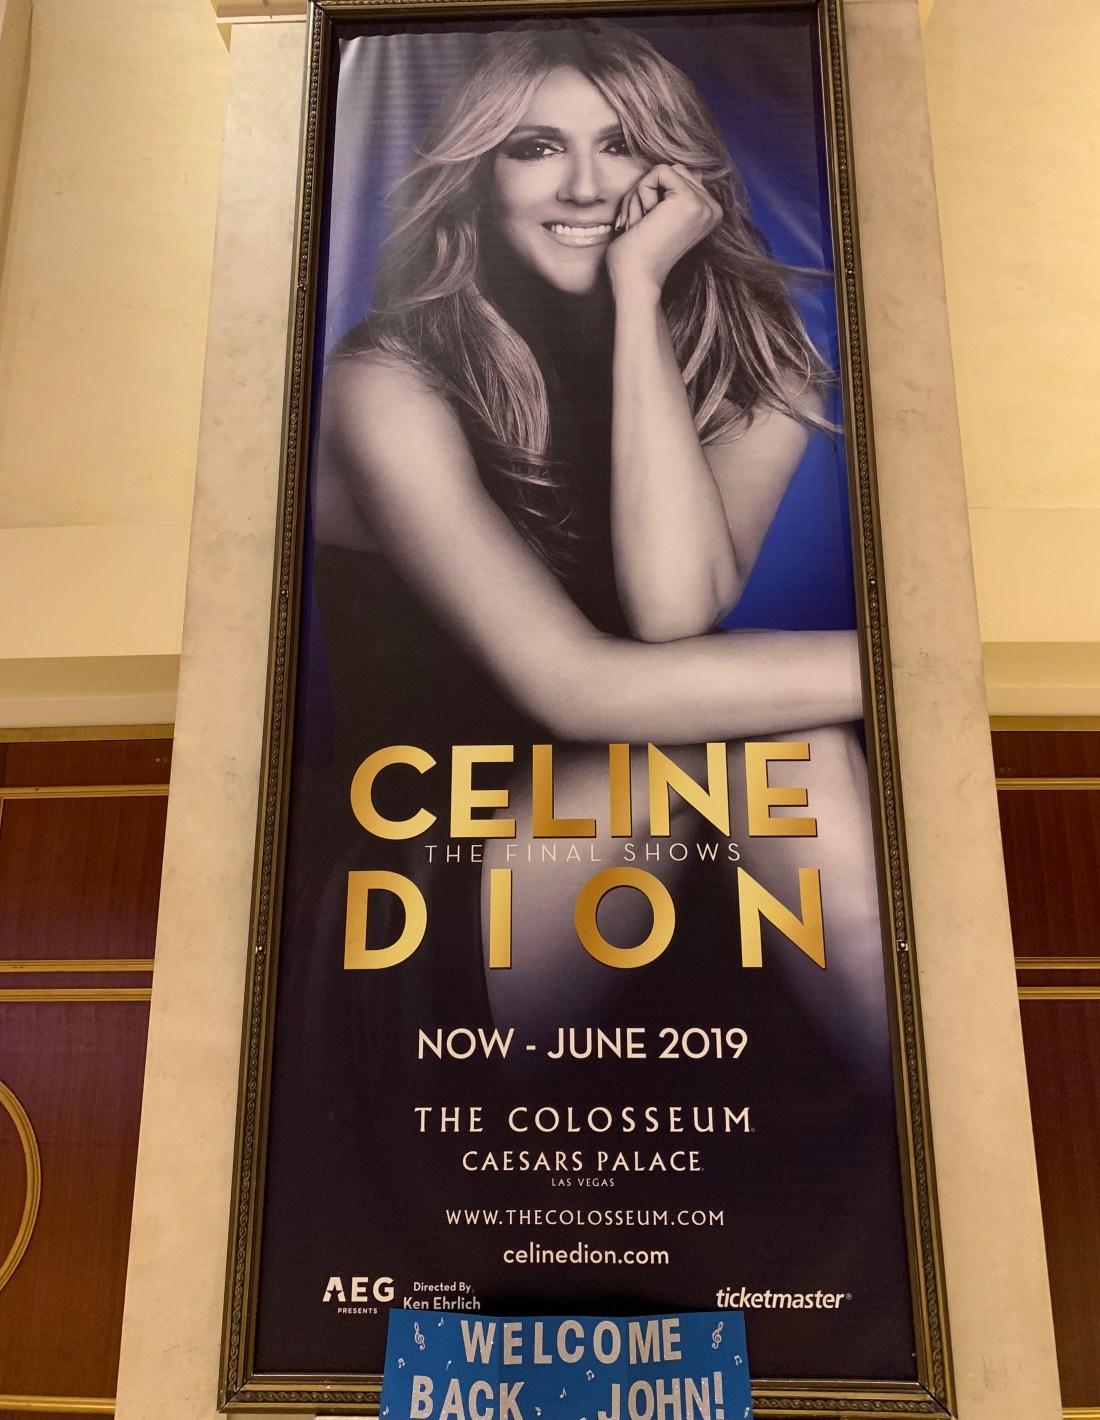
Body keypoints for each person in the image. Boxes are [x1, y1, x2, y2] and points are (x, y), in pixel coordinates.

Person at [312, 19, 886, 1077]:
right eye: (535, 148)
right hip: (425, 885)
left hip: (650, 861)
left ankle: (927, 1127)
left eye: (619, 144)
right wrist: (921, 672)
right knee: (774, 744)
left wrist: (638, 296)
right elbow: (579, 690)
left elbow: (673, 613)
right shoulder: (386, 381)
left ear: (678, 174)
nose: (583, 186)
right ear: (479, 175)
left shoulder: (753, 368)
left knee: (777, 750)